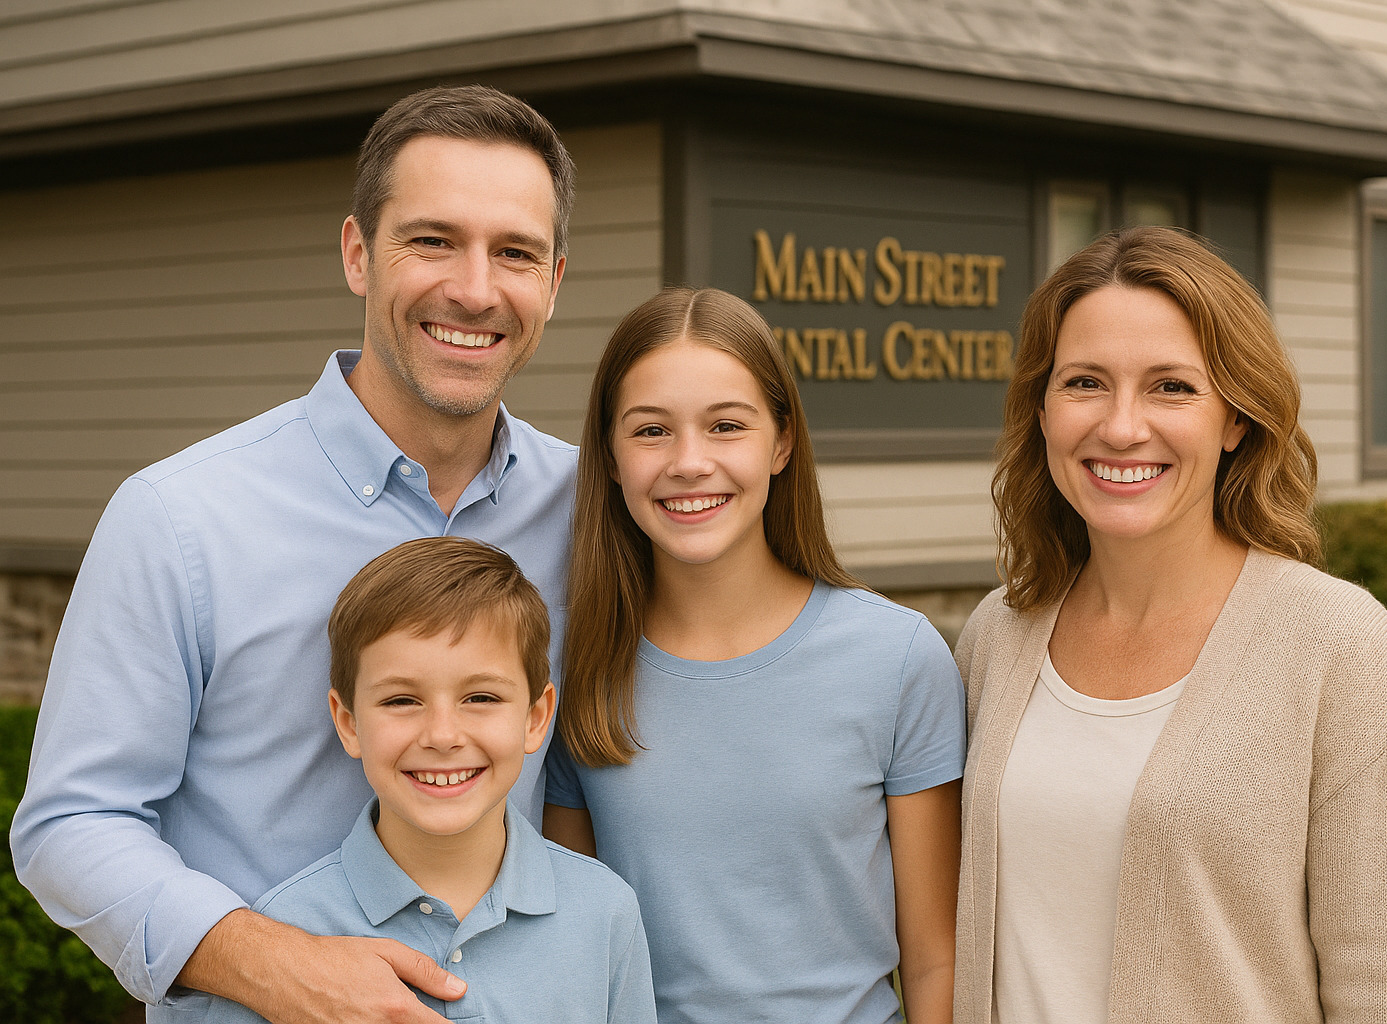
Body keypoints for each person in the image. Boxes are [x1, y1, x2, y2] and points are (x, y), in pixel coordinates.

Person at [11, 85, 577, 1024]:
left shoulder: (590, 510)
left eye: (513, 252)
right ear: (359, 254)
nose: (475, 289)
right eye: (432, 240)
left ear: (554, 284)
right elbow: (71, 825)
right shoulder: (180, 517)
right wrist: (281, 969)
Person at [954, 226, 1387, 1024]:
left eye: (1171, 387)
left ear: (1235, 418)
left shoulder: (1336, 644)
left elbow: (1380, 985)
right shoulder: (996, 636)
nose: (1122, 426)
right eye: (1085, 383)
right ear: (1041, 410)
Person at [541, 286, 966, 1024]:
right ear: (609, 456)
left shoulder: (898, 659)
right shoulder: (577, 662)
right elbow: (572, 943)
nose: (689, 462)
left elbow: (935, 959)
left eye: (726, 426)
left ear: (781, 442)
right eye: (651, 431)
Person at [198, 536, 656, 1024]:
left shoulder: (604, 912)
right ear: (349, 722)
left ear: (536, 717)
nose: (442, 735)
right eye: (401, 700)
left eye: (480, 697)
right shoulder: (287, 934)